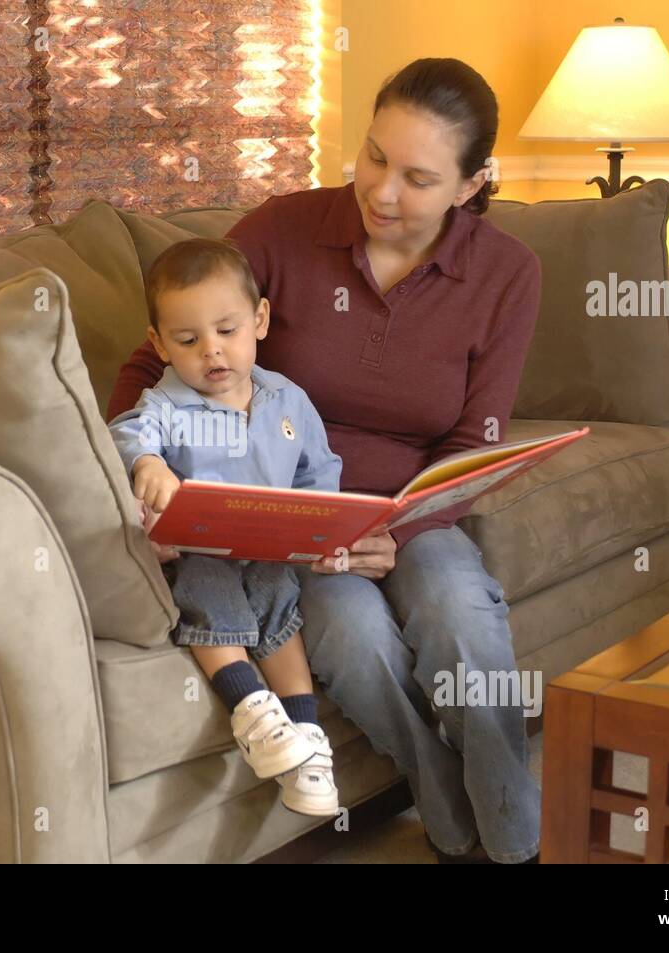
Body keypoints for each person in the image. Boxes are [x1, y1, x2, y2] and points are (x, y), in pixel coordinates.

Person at [107, 58, 543, 862]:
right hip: (296, 513)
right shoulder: (281, 229)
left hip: (413, 510)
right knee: (352, 638)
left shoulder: (507, 274)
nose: (381, 192)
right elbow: (156, 358)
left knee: (461, 619)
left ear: (473, 183)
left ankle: (517, 842)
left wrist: (406, 527)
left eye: (417, 177)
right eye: (374, 156)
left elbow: (476, 437)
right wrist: (142, 469)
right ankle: (446, 810)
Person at [107, 237, 344, 816]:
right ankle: (252, 711)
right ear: (160, 345)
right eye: (188, 341)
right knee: (209, 589)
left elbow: (321, 471)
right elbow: (126, 433)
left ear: (260, 321)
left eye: (227, 332)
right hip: (198, 550)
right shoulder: (165, 404)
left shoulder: (288, 400)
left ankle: (307, 738)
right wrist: (150, 463)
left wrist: (323, 529)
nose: (211, 352)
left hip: (269, 549)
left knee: (278, 604)